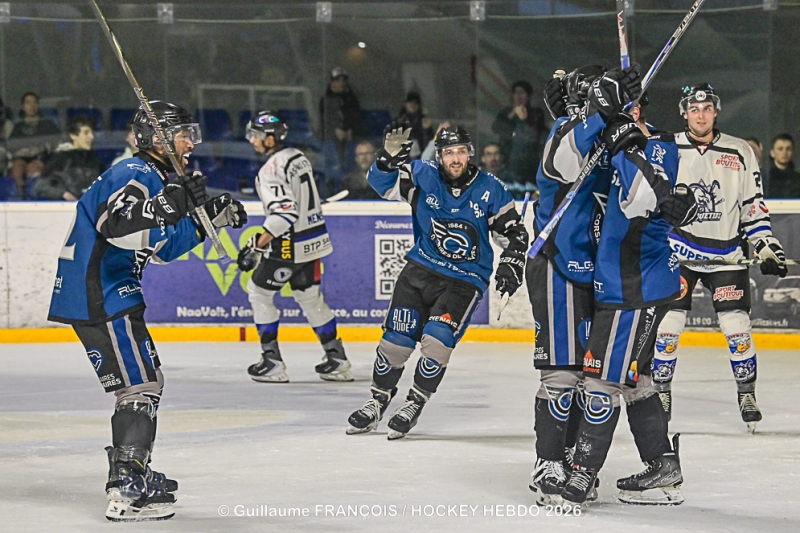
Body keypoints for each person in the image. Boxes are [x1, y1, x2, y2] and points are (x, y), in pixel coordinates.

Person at [46, 101, 247, 521]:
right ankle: (125, 485)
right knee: (140, 387)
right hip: (101, 290)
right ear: (157, 138)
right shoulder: (135, 173)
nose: (191, 142)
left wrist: (207, 215)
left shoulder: (151, 176)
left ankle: (133, 467)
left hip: (101, 291)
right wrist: (169, 203)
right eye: (183, 133)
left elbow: (162, 247)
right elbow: (116, 225)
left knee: (144, 382)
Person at [345, 124, 528, 440]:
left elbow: (515, 233)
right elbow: (380, 183)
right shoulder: (421, 174)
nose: (455, 159)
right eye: (448, 153)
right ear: (439, 155)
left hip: (465, 279)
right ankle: (378, 400)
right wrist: (387, 159)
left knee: (437, 341)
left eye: (460, 151)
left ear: (469, 153)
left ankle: (415, 402)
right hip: (420, 270)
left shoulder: (490, 188)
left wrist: (513, 259)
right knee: (395, 343)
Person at [653, 84, 788, 434]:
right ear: (684, 112)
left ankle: (747, 394)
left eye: (707, 108)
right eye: (694, 108)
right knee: (668, 326)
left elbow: (753, 208)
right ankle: (660, 393)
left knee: (736, 327)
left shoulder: (740, 151)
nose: (701, 114)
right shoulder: (666, 148)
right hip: (678, 252)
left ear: (716, 111)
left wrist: (766, 246)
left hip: (726, 254)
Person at [237, 110, 352, 383]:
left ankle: (272, 361)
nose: (252, 140)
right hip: (313, 241)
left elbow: (283, 214)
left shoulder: (270, 170)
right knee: (310, 297)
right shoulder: (298, 158)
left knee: (258, 292)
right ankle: (337, 359)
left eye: (255, 135)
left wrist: (257, 245)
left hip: (288, 246)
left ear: (270, 137)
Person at [492, 80, 548, 188]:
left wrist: (524, 120)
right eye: (516, 92)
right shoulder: (506, 113)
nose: (519, 96)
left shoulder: (536, 113)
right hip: (509, 161)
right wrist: (513, 114)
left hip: (530, 162)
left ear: (529, 96)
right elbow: (496, 128)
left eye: (522, 92)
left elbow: (536, 135)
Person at [34, 115, 103, 200]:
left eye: (92, 133)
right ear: (73, 136)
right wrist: (63, 194)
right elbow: (40, 187)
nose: (91, 137)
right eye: (86, 133)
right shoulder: (59, 159)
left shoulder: (95, 161)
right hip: (66, 210)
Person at [8, 92, 61, 197]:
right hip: (21, 159)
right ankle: (19, 198)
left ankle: (33, 198)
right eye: (28, 103)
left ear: (38, 105)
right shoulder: (18, 127)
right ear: (23, 107)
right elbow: (11, 147)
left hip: (41, 159)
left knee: (34, 169)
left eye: (34, 103)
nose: (32, 106)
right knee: (17, 168)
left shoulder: (47, 124)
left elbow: (57, 143)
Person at [319, 67, 363, 190]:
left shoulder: (351, 98)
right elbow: (325, 120)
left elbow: (356, 116)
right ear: (332, 82)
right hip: (331, 139)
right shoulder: (326, 99)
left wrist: (350, 130)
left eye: (343, 80)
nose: (341, 83)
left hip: (349, 137)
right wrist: (335, 130)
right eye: (338, 80)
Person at [395, 91, 434, 159]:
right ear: (406, 104)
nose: (412, 105)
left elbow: (430, 142)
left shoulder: (423, 120)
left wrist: (427, 130)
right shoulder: (399, 120)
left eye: (415, 103)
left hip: (421, 153)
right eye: (410, 102)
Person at [766, 133, 800, 198]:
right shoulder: (765, 179)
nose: (784, 152)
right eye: (780, 149)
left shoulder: (798, 179)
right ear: (772, 153)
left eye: (788, 149)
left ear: (793, 152)